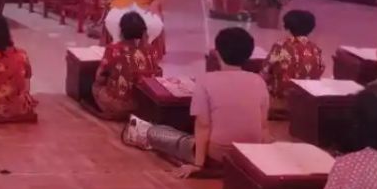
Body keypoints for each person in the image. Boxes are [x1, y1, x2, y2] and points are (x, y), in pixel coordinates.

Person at [124, 27, 270, 178]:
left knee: (156, 132)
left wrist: (198, 165)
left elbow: (203, 126)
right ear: (248, 54)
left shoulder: (206, 81)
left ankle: (143, 132)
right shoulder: (258, 81)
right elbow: (263, 126)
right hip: (248, 154)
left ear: (217, 52)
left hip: (216, 155)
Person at [91, 12, 163, 118]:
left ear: (122, 31)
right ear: (143, 31)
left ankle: (111, 109)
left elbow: (99, 77)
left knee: (95, 87)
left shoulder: (113, 50)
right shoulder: (152, 50)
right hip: (143, 105)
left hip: (119, 105)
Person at [260, 9, 326, 111]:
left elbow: (265, 71)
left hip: (281, 97)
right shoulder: (316, 49)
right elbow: (320, 69)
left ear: (288, 26)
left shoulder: (281, 46)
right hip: (306, 98)